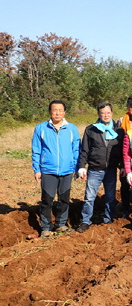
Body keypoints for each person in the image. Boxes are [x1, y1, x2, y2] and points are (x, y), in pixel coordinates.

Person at [31, 100, 80, 238]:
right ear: (50, 112)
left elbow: (76, 149)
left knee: (64, 199)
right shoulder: (41, 128)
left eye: (60, 110)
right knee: (47, 200)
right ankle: (46, 227)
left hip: (67, 170)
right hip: (48, 170)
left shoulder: (72, 128)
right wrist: (37, 169)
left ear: (64, 112)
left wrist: (75, 166)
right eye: (54, 110)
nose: (57, 113)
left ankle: (61, 224)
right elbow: (36, 150)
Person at [76, 102, 124, 232]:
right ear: (98, 114)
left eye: (108, 112)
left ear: (112, 113)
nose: (106, 115)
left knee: (110, 197)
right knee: (89, 198)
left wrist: (122, 166)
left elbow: (122, 151)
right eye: (103, 113)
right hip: (94, 169)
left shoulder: (119, 130)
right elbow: (85, 150)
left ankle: (108, 219)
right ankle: (85, 221)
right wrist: (82, 166)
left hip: (111, 170)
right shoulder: (91, 129)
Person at [116, 94, 132, 218]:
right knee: (125, 185)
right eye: (131, 105)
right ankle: (126, 209)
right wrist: (120, 163)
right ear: (127, 106)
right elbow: (117, 143)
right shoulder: (121, 121)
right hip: (125, 159)